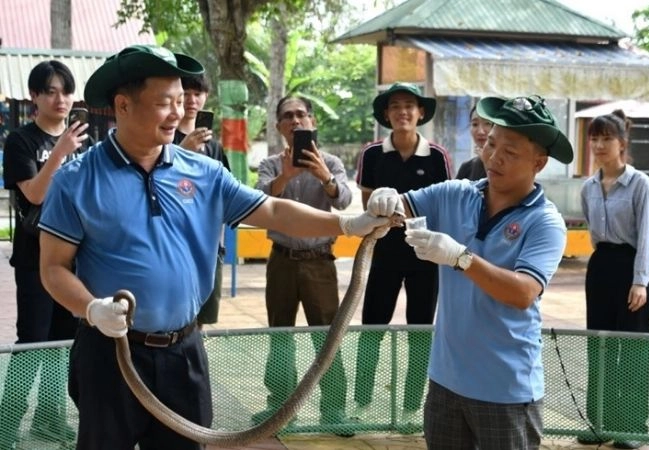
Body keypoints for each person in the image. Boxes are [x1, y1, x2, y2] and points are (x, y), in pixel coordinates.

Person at [36, 44, 388, 450]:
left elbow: (272, 210)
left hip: (183, 353)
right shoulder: (77, 179)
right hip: (110, 353)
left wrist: (347, 223)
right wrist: (92, 310)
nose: (177, 114)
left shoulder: (203, 172)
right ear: (123, 105)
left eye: (181, 102)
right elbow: (53, 269)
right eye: (164, 103)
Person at [365, 95, 573, 449]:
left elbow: (523, 293)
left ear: (539, 163)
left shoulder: (545, 222)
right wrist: (384, 199)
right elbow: (400, 206)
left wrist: (461, 258)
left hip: (505, 389)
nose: (494, 157)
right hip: (445, 382)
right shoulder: (457, 194)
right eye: (491, 143)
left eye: (510, 151)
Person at [0, 60, 90, 449]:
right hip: (35, 257)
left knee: (65, 342)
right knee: (33, 340)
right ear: (34, 96)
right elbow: (33, 194)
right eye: (51, 91)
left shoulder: (87, 142)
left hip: (74, 259)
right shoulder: (20, 141)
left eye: (66, 92)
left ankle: (50, 420)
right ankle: (6, 425)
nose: (60, 99)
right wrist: (60, 151)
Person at [252, 95, 354, 435]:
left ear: (312, 121)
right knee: (280, 333)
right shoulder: (269, 164)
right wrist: (286, 175)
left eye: (301, 115)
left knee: (327, 335)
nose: (295, 121)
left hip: (319, 263)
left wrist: (324, 176)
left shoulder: (331, 161)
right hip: (281, 260)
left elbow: (343, 200)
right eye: (287, 116)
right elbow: (261, 202)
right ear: (279, 126)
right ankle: (280, 408)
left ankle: (334, 410)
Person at [353, 82, 452, 426]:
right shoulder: (371, 154)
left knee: (420, 331)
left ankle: (413, 408)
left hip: (425, 257)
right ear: (386, 115)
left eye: (409, 106)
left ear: (421, 112)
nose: (403, 112)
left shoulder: (437, 156)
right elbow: (367, 203)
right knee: (372, 329)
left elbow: (445, 203)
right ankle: (361, 405)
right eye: (395, 107)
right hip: (383, 255)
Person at [578, 109, 649, 450]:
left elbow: (648, 235)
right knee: (600, 347)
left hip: (632, 270)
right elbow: (595, 236)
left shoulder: (640, 184)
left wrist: (640, 280)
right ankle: (599, 423)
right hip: (601, 268)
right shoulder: (588, 187)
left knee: (634, 350)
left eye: (606, 138)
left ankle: (632, 427)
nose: (599, 145)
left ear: (622, 143)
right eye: (594, 138)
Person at [173, 73, 229, 328]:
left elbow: (226, 193)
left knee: (202, 320)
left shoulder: (215, 147)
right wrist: (181, 151)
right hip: (173, 243)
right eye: (186, 93)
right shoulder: (164, 140)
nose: (191, 100)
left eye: (198, 93)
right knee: (175, 315)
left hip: (207, 244)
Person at [455, 104, 491, 180]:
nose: (480, 131)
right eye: (475, 124)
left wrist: (487, 163)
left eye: (487, 123)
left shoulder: (509, 165)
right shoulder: (466, 168)